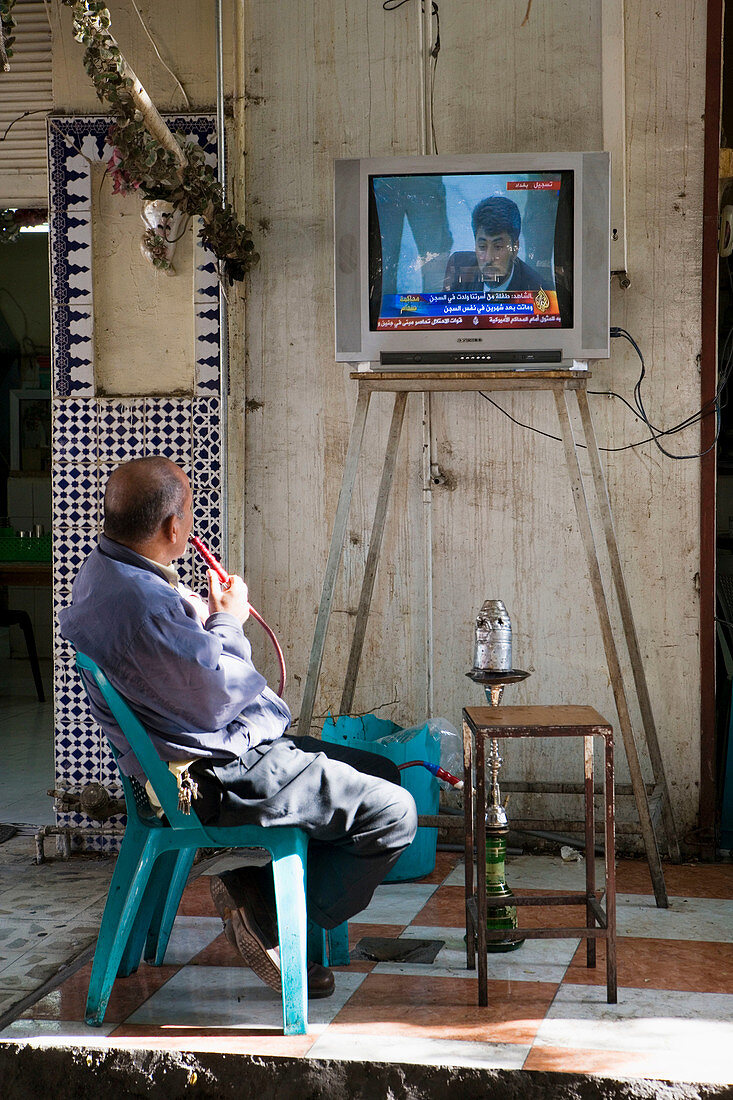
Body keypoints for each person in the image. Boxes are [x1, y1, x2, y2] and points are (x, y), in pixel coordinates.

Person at [58, 456, 417, 1000]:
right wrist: (229, 618)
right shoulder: (144, 603)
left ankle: (275, 899)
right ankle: (265, 910)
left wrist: (200, 617)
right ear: (173, 528)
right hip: (211, 771)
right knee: (393, 813)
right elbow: (214, 698)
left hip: (186, 751)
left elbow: (175, 664)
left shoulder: (101, 575)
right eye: (189, 517)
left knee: (380, 768)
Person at [443, 195, 543, 294]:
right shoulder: (458, 266)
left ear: (515, 248)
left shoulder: (537, 290)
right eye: (482, 247)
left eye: (498, 247)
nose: (489, 258)